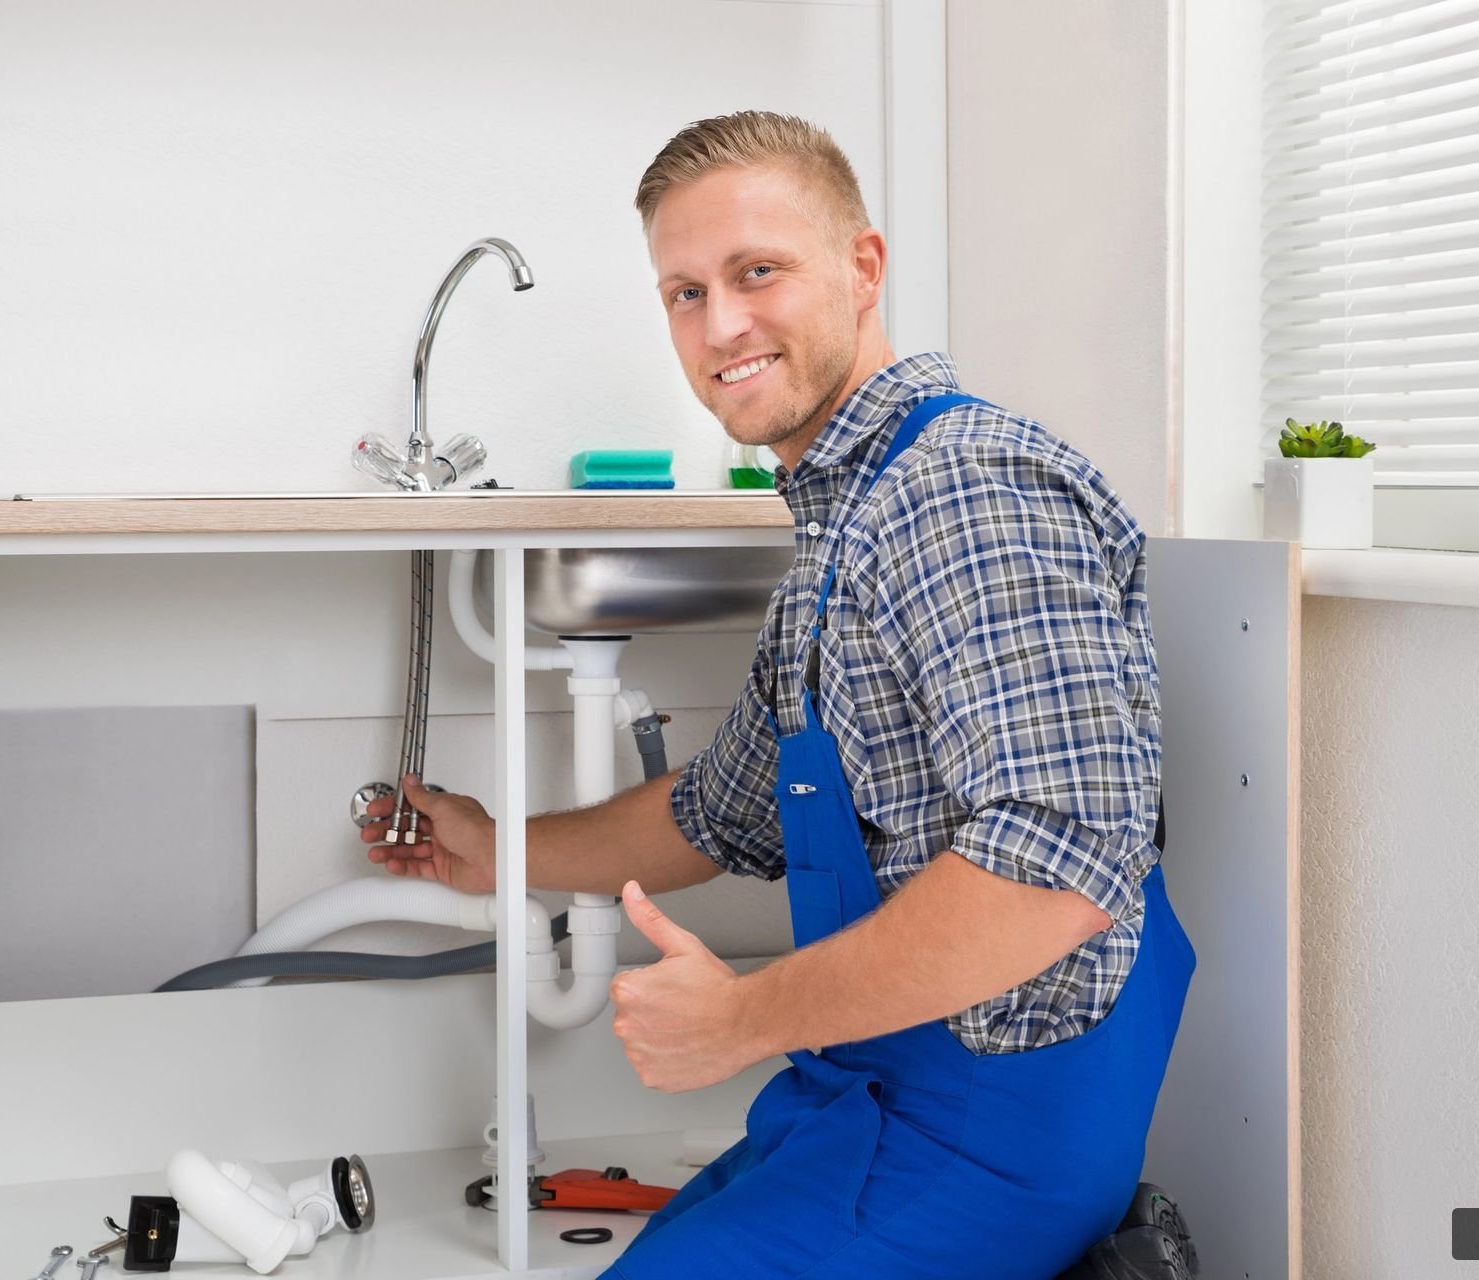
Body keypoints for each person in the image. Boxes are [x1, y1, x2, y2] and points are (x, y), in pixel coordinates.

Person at [362, 110, 1196, 1280]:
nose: (721, 324)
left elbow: (1057, 865)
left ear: (863, 268)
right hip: (860, 1094)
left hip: (989, 1145)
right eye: (685, 292)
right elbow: (719, 813)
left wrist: (745, 1018)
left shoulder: (962, 493)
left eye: (758, 272)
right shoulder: (842, 529)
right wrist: (496, 848)